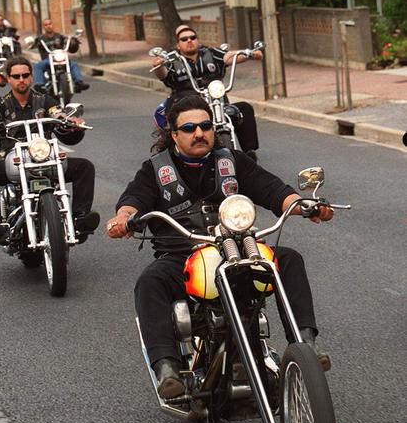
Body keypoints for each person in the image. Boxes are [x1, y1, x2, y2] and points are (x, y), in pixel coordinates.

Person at [106, 95, 333, 399]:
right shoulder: (155, 170)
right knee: (150, 281)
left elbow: (274, 190)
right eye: (189, 128)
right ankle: (168, 369)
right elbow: (133, 201)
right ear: (174, 134)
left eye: (205, 126)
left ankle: (305, 345)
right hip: (183, 258)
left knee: (288, 260)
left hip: (238, 250)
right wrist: (123, 219)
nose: (199, 133)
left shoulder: (233, 161)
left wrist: (305, 205)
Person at [0, 56, 99, 244]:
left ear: (32, 77)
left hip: (44, 157)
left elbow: (56, 112)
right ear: (8, 79)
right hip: (14, 158)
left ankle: (80, 218)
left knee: (85, 166)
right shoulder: (1, 103)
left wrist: (68, 121)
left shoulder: (45, 100)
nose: (21, 79)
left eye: (25, 75)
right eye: (16, 76)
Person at [151, 25, 263, 157]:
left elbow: (228, 56)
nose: (189, 40)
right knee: (174, 121)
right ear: (178, 44)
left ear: (197, 40)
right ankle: (171, 155)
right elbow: (162, 74)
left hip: (216, 101)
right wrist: (158, 65)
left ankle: (249, 152)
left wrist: (249, 54)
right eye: (184, 39)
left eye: (192, 37)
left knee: (244, 109)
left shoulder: (211, 53)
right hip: (184, 105)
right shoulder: (171, 59)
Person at [30, 18, 89, 93]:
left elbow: (67, 40)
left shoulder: (59, 36)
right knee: (37, 66)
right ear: (44, 27)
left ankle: (79, 83)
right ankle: (39, 84)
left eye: (50, 24)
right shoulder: (41, 39)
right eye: (46, 25)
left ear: (53, 25)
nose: (48, 26)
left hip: (61, 58)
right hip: (48, 60)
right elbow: (33, 45)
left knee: (74, 65)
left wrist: (74, 40)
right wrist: (33, 44)